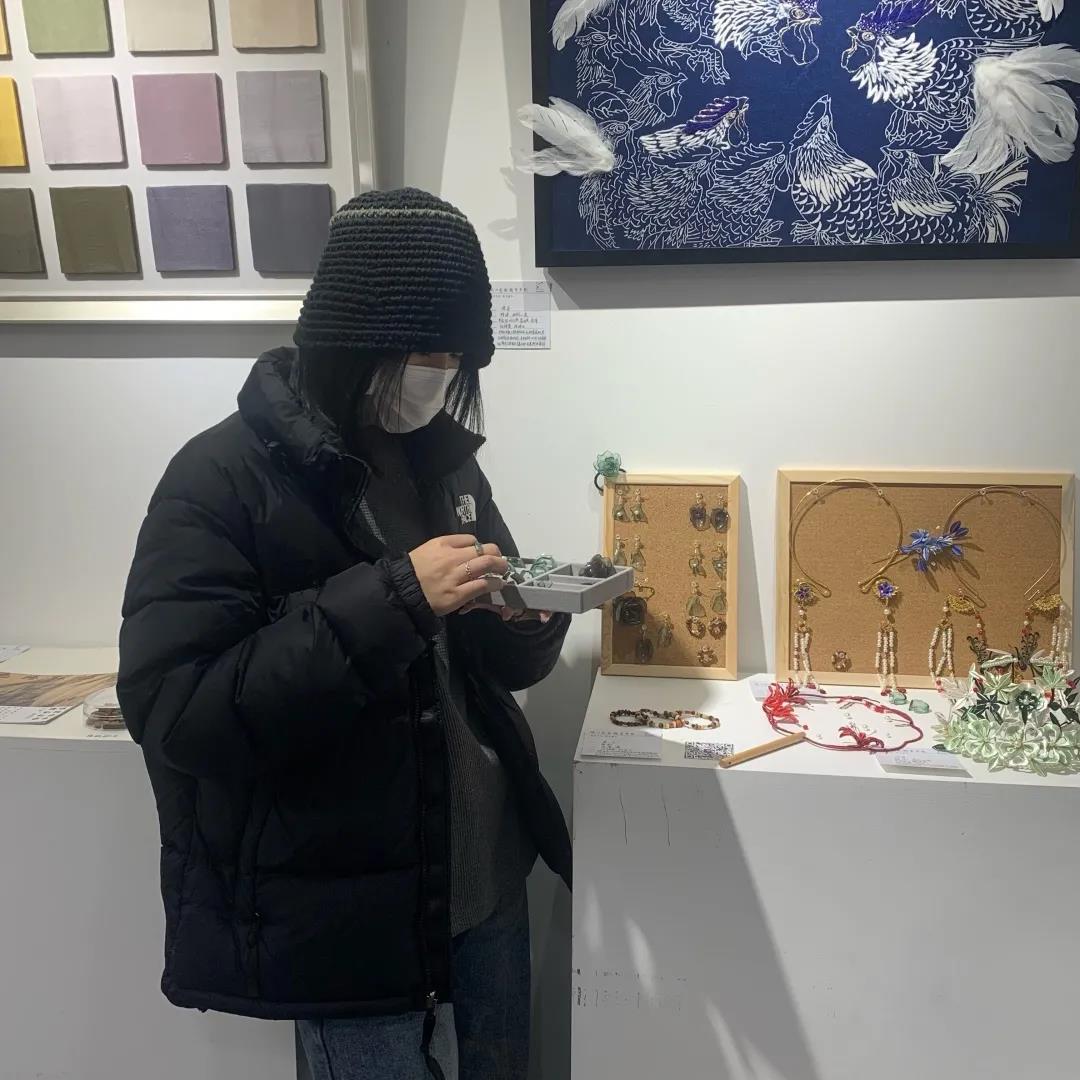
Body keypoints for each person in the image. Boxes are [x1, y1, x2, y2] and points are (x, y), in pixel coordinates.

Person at [117, 188, 572, 1080]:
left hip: (484, 879)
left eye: (457, 357)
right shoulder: (221, 477)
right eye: (427, 352)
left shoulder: (442, 462)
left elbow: (482, 661)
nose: (442, 374)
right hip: (349, 917)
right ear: (358, 337)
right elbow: (177, 712)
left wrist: (527, 619)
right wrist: (395, 599)